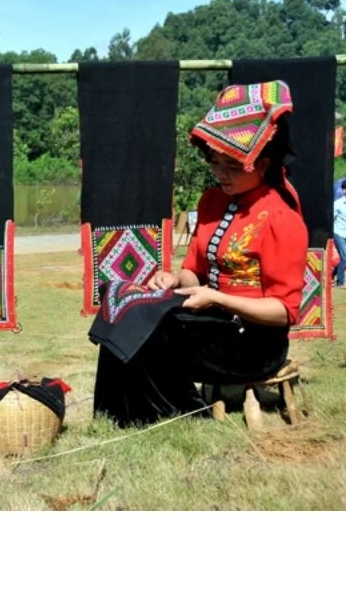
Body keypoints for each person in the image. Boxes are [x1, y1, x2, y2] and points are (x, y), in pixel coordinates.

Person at [92, 80, 308, 427]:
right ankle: (117, 413)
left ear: (263, 163)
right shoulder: (211, 201)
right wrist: (176, 278)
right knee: (122, 298)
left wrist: (219, 299)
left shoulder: (282, 219)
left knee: (156, 328)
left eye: (233, 167)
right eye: (214, 162)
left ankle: (173, 414)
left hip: (252, 343)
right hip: (214, 324)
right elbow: (193, 271)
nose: (221, 174)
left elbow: (284, 312)